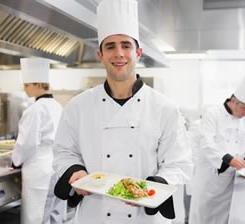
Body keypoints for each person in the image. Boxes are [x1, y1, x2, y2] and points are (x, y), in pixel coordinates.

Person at [52, 0, 193, 224]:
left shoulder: (164, 107)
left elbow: (179, 163)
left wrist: (153, 187)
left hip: (144, 219)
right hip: (94, 215)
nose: (119, 53)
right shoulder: (78, 106)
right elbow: (63, 152)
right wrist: (74, 171)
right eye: (110, 46)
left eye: (126, 45)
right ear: (100, 55)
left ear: (138, 52)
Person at [189, 74, 245, 224]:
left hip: (232, 181)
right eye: (244, 108)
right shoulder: (212, 114)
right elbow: (207, 143)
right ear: (233, 100)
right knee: (203, 218)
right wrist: (229, 159)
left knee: (225, 218)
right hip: (210, 181)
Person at [11, 58, 63, 224]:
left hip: (38, 169)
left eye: (27, 85)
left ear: (38, 85)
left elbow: (27, 143)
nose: (24, 89)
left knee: (36, 216)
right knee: (54, 213)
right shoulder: (57, 105)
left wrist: (15, 161)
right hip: (55, 166)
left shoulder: (35, 110)